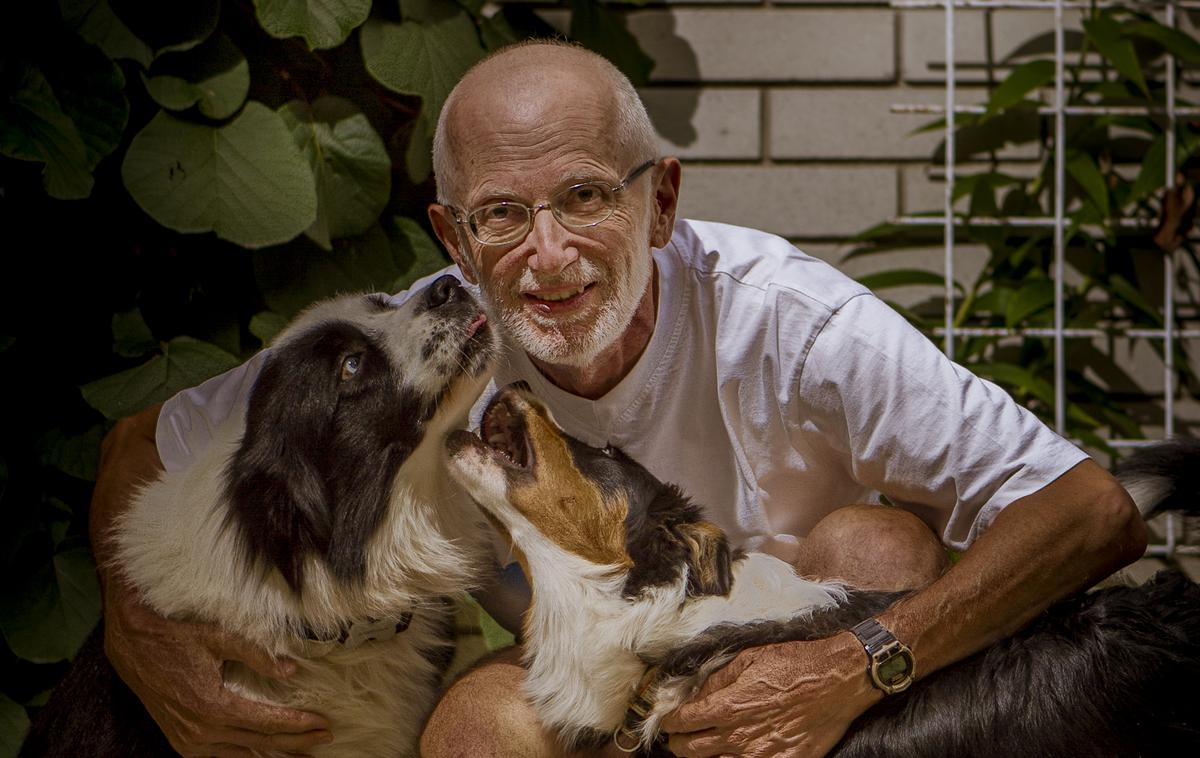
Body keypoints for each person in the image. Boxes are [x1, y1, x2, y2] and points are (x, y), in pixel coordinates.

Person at [91, 41, 1145, 758]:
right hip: (596, 666)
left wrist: (853, 662)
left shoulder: (794, 320)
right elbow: (147, 437)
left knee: (873, 544)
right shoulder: (423, 343)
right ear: (455, 237)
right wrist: (139, 623)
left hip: (805, 646)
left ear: (661, 200)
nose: (548, 257)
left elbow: (1093, 508)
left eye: (586, 196)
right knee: (472, 728)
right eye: (503, 214)